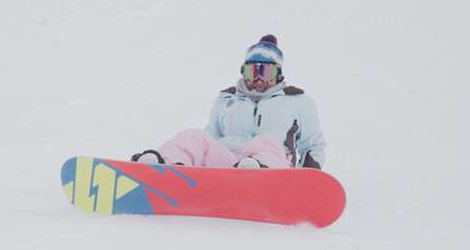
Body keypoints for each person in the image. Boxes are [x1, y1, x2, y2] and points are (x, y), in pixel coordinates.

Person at [131, 35, 326, 169]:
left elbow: (312, 145)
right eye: (252, 72)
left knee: (265, 141)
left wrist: (309, 179)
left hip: (274, 168)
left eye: (265, 72)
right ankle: (162, 166)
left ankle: (255, 171)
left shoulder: (297, 101)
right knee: (195, 136)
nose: (257, 79)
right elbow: (211, 139)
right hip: (229, 167)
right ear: (243, 72)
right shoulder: (227, 99)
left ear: (278, 74)